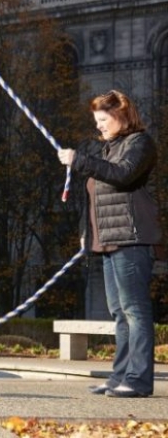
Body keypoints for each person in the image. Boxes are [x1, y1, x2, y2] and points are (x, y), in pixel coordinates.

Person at [58, 90, 161, 398]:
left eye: (103, 120)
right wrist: (85, 233)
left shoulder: (140, 144)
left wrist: (80, 160)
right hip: (107, 241)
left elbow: (124, 175)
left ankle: (139, 380)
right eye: (97, 121)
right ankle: (119, 377)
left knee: (135, 311)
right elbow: (95, 197)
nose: (99, 126)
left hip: (131, 239)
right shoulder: (108, 150)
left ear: (122, 116)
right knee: (119, 312)